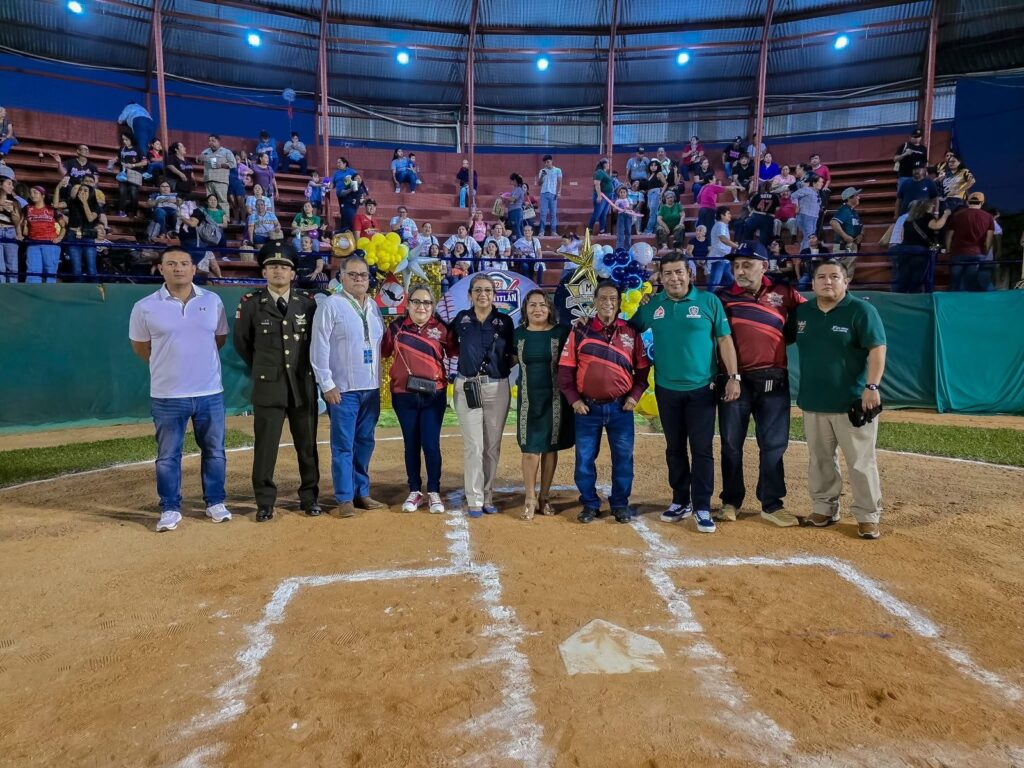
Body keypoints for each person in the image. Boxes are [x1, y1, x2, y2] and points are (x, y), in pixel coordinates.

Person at [630, 252, 739, 534]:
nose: (674, 278)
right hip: (667, 390)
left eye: (679, 272)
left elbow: (725, 340)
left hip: (702, 390)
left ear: (689, 273)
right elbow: (628, 330)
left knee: (702, 450)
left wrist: (733, 377)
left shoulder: (708, 302)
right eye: (668, 273)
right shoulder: (654, 305)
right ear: (661, 277)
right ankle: (680, 500)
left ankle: (701, 505)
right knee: (674, 448)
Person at [128, 247, 231, 533]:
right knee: (168, 456)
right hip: (167, 396)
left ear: (193, 269)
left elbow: (219, 339)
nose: (178, 268)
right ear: (161, 269)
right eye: (171, 263)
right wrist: (169, 364)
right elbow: (140, 347)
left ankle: (215, 502)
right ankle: (170, 508)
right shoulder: (145, 306)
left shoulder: (212, 301)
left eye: (184, 263)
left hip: (210, 392)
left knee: (215, 451)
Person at [794, 259, 887, 540]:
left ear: (846, 282)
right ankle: (824, 508)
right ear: (813, 284)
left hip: (852, 403)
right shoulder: (803, 312)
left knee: (860, 461)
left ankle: (868, 515)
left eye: (835, 276)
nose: (827, 281)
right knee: (820, 460)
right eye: (821, 277)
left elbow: (877, 348)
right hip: (813, 401)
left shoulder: (860, 310)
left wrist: (872, 386)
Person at [715, 244, 805, 527]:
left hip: (774, 381)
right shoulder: (723, 297)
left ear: (763, 266)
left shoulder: (785, 293)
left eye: (747, 265)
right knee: (731, 445)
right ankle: (730, 501)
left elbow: (805, 318)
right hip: (734, 382)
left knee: (774, 445)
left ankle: (772, 503)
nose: (739, 271)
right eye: (736, 266)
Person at [233, 247, 320, 522]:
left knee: (307, 446)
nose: (278, 271)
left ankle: (309, 497)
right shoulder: (250, 304)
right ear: (264, 272)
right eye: (272, 266)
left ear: (293, 273)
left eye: (284, 267)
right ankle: (265, 502)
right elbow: (243, 345)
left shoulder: (308, 304)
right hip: (269, 387)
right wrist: (265, 369)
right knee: (266, 447)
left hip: (302, 385)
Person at [559, 281, 650, 524]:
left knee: (623, 459)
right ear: (595, 302)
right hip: (586, 409)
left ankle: (620, 504)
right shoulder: (580, 330)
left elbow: (642, 371)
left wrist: (634, 396)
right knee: (585, 459)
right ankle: (590, 503)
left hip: (621, 409)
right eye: (602, 298)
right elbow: (565, 371)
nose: (608, 303)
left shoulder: (631, 332)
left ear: (619, 303)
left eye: (613, 299)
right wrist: (574, 400)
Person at [310, 254, 387, 518]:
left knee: (365, 442)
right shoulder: (330, 305)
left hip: (371, 388)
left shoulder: (374, 307)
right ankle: (344, 498)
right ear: (341, 277)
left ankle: (361, 492)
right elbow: (318, 346)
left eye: (362, 275)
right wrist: (327, 383)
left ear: (368, 279)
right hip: (342, 389)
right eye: (352, 274)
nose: (358, 279)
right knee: (343, 444)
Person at [381, 285, 457, 515]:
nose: (421, 307)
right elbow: (383, 352)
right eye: (416, 302)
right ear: (408, 304)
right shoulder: (395, 327)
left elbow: (455, 354)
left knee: (431, 444)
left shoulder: (442, 329)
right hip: (403, 395)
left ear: (432, 306)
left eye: (426, 302)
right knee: (411, 444)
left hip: (434, 396)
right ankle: (414, 490)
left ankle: (434, 490)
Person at [450, 273, 517, 518]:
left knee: (491, 447)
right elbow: (450, 346)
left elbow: (512, 354)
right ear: (470, 295)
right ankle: (474, 498)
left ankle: (487, 495)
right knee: (474, 445)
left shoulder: (505, 322)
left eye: (488, 290)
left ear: (494, 294)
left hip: (497, 388)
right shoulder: (461, 319)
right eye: (478, 290)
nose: (483, 294)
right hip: (467, 386)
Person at [513, 291, 574, 520]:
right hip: (528, 400)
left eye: (542, 305)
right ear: (525, 309)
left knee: (549, 448)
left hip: (556, 400)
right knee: (530, 449)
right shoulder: (518, 334)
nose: (537, 309)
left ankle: (544, 496)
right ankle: (529, 496)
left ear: (550, 309)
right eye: (532, 305)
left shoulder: (562, 332)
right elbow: (507, 359)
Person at [893, 198, 948, 293]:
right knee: (917, 277)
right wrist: (946, 215)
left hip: (904, 250)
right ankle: (914, 297)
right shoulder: (927, 216)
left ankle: (900, 297)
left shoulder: (908, 219)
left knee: (903, 276)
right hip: (919, 250)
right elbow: (937, 226)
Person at [945, 191, 995, 292]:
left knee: (955, 282)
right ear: (982, 203)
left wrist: (948, 249)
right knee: (970, 283)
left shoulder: (957, 215)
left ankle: (952, 304)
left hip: (958, 253)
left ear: (968, 202)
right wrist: (985, 251)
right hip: (977, 253)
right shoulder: (988, 217)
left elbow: (949, 235)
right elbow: (989, 238)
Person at [22, 186, 63, 283]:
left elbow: (64, 226)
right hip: (33, 243)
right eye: (31, 192)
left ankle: (49, 295)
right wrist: (23, 228)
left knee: (50, 272)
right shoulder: (27, 209)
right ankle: (32, 295)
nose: (32, 195)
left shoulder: (52, 209)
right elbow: (25, 230)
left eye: (35, 192)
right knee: (33, 272)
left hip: (50, 244)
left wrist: (59, 238)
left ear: (43, 195)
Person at [64, 182, 100, 281]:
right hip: (73, 237)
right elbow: (56, 205)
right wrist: (59, 187)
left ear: (91, 193)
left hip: (88, 238)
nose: (82, 192)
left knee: (92, 269)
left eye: (85, 190)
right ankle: (78, 291)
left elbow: (90, 219)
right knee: (76, 270)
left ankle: (95, 292)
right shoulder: (72, 203)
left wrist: (84, 203)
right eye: (80, 190)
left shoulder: (95, 206)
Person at [198, 134, 236, 209]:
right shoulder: (205, 151)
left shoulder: (226, 152)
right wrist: (199, 159)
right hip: (208, 180)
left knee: (222, 201)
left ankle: (225, 220)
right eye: (209, 141)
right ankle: (211, 220)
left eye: (213, 141)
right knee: (210, 202)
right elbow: (199, 161)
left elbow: (233, 164)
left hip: (221, 181)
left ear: (218, 142)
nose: (210, 142)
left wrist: (221, 165)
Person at [116, 132, 146, 217]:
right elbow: (118, 158)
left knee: (133, 192)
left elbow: (144, 162)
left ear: (131, 139)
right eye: (123, 139)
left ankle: (133, 212)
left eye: (126, 139)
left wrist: (133, 165)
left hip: (135, 173)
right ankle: (121, 211)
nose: (124, 141)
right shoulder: (122, 149)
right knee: (122, 191)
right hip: (123, 174)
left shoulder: (138, 149)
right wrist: (114, 160)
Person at [708, 205, 738, 289]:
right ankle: (708, 300)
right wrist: (736, 246)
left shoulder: (722, 225)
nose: (730, 215)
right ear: (722, 215)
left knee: (730, 281)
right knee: (714, 283)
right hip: (719, 258)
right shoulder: (720, 225)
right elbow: (723, 239)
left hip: (724, 258)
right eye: (728, 213)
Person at [791, 174, 824, 249]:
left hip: (814, 217)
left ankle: (804, 254)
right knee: (809, 236)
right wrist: (797, 206)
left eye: (822, 182)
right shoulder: (807, 189)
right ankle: (805, 256)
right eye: (820, 182)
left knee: (809, 236)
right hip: (805, 216)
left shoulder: (817, 192)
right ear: (814, 183)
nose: (822, 184)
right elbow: (793, 195)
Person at [0, 176, 22, 282]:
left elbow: (17, 222)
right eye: (9, 183)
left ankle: (13, 292)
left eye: (12, 184)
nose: (12, 187)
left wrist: (12, 212)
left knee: (12, 266)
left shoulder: (14, 202)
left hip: (10, 232)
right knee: (0, 267)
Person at [743, 183, 779, 247]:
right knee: (764, 239)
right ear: (770, 188)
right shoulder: (774, 196)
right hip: (768, 217)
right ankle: (762, 253)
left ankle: (747, 246)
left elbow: (750, 206)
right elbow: (777, 209)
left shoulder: (757, 195)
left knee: (747, 229)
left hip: (756, 216)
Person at [893, 128, 927, 195]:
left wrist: (923, 174)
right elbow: (895, 159)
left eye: (918, 137)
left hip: (918, 177)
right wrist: (904, 154)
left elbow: (924, 162)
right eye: (914, 137)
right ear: (910, 137)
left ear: (921, 137)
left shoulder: (923, 149)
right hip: (904, 175)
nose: (916, 139)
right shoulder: (904, 146)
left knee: (917, 196)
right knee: (902, 196)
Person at [537, 155, 562, 236]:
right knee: (543, 213)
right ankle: (541, 231)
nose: (546, 164)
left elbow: (560, 182)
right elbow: (539, 183)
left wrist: (559, 192)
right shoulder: (542, 171)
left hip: (553, 193)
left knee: (553, 213)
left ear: (551, 161)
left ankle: (553, 231)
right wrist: (542, 176)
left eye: (548, 162)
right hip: (544, 193)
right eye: (545, 162)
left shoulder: (557, 170)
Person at [587, 159, 613, 235]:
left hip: (607, 196)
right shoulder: (599, 172)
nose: (609, 165)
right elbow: (597, 184)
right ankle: (589, 230)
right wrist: (599, 196)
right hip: (601, 196)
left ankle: (602, 231)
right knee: (597, 214)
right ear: (604, 164)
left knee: (603, 214)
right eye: (608, 163)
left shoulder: (604, 172)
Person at [644, 160, 669, 234]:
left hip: (656, 193)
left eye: (655, 165)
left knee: (652, 212)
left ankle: (649, 230)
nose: (653, 167)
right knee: (654, 213)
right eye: (651, 165)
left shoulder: (659, 173)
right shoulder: (650, 175)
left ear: (658, 166)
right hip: (649, 194)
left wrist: (661, 193)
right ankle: (656, 229)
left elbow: (665, 183)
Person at [505, 173, 526, 240]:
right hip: (512, 210)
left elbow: (513, 199)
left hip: (516, 211)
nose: (510, 182)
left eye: (511, 180)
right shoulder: (515, 189)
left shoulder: (519, 189)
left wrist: (504, 196)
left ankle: (521, 245)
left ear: (515, 181)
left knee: (517, 228)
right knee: (514, 228)